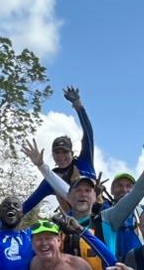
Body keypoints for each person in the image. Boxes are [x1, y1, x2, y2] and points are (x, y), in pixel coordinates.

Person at [23, 133, 144, 259]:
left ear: (95, 195)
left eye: (87, 190)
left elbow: (135, 194)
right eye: (77, 190)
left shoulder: (108, 219)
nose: (82, 194)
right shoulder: (57, 228)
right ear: (69, 197)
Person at [21, 86, 96, 214]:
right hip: (75, 223)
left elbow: (88, 133)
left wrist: (78, 106)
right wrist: (4, 220)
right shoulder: (51, 178)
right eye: (57, 153)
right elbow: (28, 204)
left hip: (100, 215)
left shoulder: (84, 161)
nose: (61, 156)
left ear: (72, 153)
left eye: (65, 152)